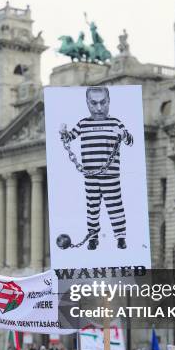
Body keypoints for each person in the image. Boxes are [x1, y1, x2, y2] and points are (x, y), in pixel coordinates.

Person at [60, 86, 134, 250]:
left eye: (103, 103)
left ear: (108, 102)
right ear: (87, 103)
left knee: (115, 206)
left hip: (110, 175)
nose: (99, 108)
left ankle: (120, 237)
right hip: (90, 176)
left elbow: (130, 141)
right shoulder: (83, 124)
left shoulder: (115, 123)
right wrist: (63, 132)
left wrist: (123, 135)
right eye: (94, 103)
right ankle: (93, 238)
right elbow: (70, 137)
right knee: (92, 207)